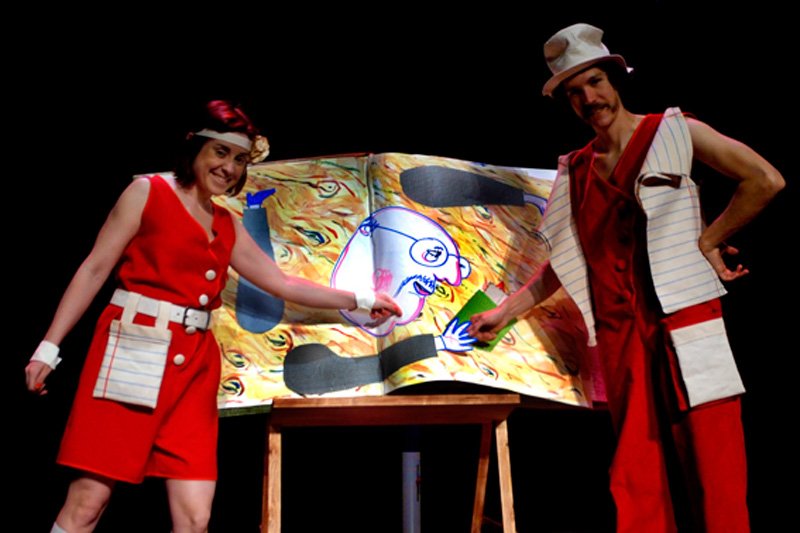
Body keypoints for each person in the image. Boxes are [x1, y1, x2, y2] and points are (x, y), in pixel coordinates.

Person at [24, 100, 402, 533]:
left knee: (195, 517)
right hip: (134, 350)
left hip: (195, 369)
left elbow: (282, 283)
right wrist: (48, 348)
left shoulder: (226, 223)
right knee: (88, 503)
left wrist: (361, 299)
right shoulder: (148, 192)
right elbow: (94, 269)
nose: (229, 168)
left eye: (239, 159)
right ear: (195, 147)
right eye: (220, 152)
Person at [468, 23, 784, 532]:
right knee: (636, 479)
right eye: (575, 93)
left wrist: (709, 238)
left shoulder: (673, 131)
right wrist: (505, 311)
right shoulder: (576, 170)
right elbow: (564, 263)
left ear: (614, 79)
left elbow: (764, 180)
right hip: (622, 339)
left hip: (686, 322)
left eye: (594, 82)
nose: (589, 99)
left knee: (716, 470)